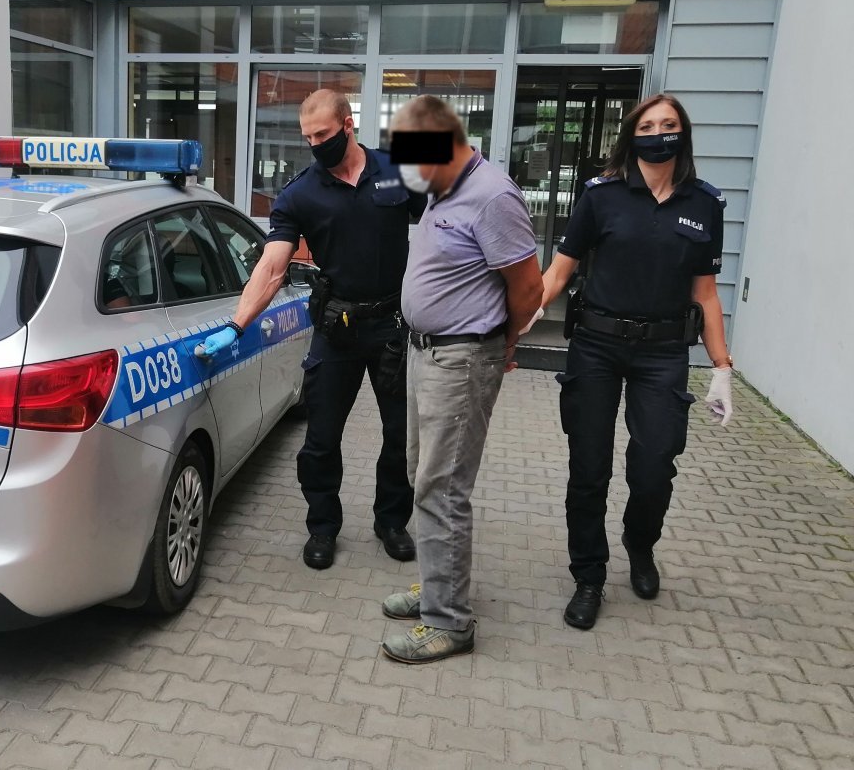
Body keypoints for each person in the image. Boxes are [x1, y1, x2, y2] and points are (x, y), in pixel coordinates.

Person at [197, 89, 426, 570]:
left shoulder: (396, 171)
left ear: (348, 124)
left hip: (392, 325)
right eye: (308, 138)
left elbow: (445, 219)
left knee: (400, 435)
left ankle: (391, 521)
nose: (315, 145)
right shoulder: (300, 194)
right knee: (320, 439)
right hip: (336, 327)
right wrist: (238, 324)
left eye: (323, 135)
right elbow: (271, 267)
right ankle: (323, 526)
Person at [540, 93, 735, 631]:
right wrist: (517, 319)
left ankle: (639, 542)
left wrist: (722, 366)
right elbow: (558, 272)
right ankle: (589, 575)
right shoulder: (601, 195)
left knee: (654, 467)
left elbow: (705, 292)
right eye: (647, 126)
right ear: (632, 135)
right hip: (597, 346)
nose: (658, 133)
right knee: (589, 468)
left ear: (683, 134)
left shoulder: (704, 203)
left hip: (663, 352)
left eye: (668, 125)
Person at [378, 96, 543, 664]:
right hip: (424, 352)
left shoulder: (493, 196)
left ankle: (449, 621)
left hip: (462, 359)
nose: (409, 174)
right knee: (420, 473)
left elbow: (528, 289)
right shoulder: (441, 189)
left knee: (443, 486)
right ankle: (438, 583)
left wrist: (502, 345)